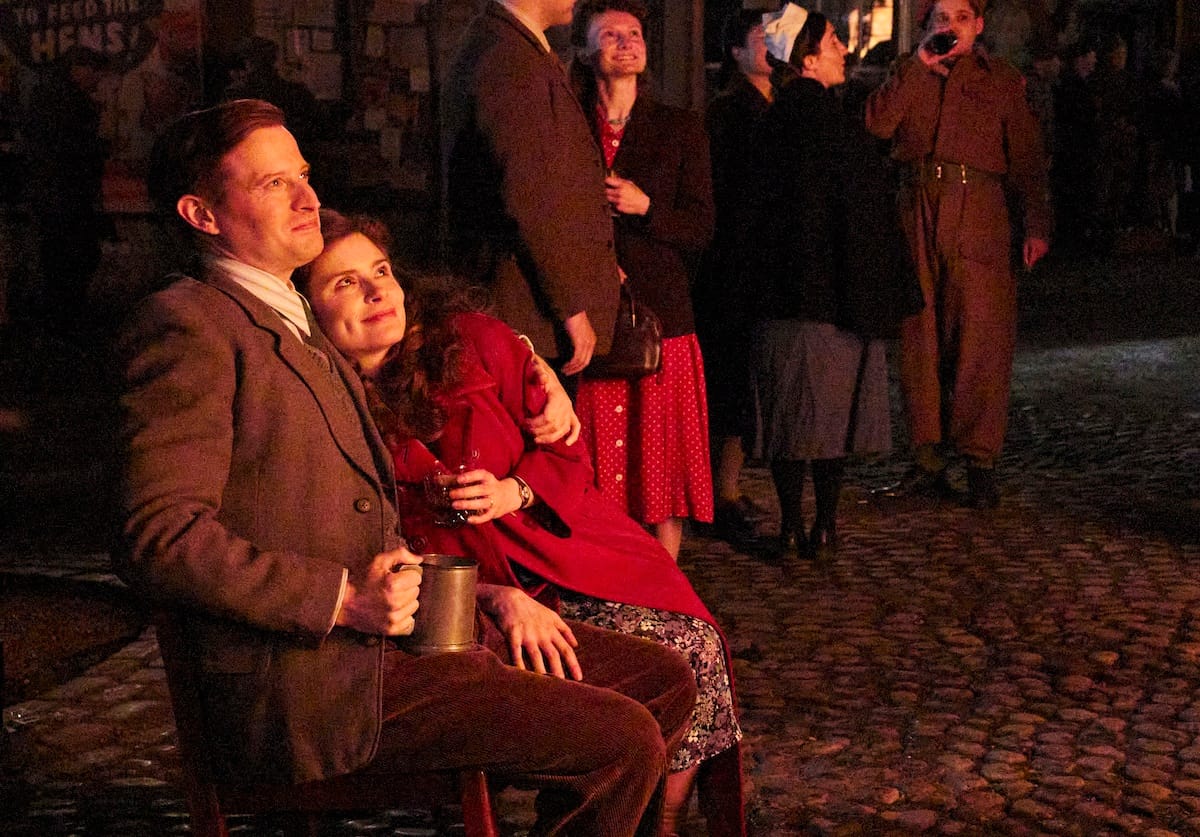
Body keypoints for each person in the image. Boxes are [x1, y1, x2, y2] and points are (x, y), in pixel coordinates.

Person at [112, 98, 698, 836]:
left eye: (304, 175)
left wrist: (530, 365)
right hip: (320, 680)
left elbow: (426, 352)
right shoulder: (191, 325)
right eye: (273, 184)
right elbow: (157, 538)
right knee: (621, 738)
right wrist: (341, 599)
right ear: (201, 214)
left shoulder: (295, 314)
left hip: (402, 639)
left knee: (663, 680)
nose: (307, 199)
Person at [298, 208, 745, 837]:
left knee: (693, 643)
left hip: (553, 543)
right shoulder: (323, 405)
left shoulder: (473, 342)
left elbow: (568, 452)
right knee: (639, 670)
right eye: (345, 283)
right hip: (458, 594)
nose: (376, 292)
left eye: (381, 271)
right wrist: (491, 595)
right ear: (307, 311)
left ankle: (659, 819)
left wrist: (516, 489)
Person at [740, 3, 920, 559]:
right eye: (833, 42)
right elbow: (864, 217)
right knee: (830, 422)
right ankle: (823, 525)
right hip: (834, 301)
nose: (844, 49)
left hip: (778, 300)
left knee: (789, 419)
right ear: (809, 60)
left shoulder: (767, 126)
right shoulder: (837, 127)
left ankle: (792, 524)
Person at [865, 0, 1051, 509]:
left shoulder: (1001, 80)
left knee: (980, 336)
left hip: (980, 210)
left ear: (979, 25)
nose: (951, 27)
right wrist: (917, 67)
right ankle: (926, 456)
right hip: (917, 206)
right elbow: (877, 125)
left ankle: (979, 459)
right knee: (918, 337)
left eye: (961, 18)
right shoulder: (909, 71)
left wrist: (1036, 224)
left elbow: (1027, 158)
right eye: (941, 19)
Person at [568, 0, 717, 561]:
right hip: (592, 311)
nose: (626, 42)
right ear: (587, 51)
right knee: (600, 452)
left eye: (634, 33)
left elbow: (701, 227)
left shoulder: (679, 127)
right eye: (611, 34)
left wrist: (646, 206)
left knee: (662, 451)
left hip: (661, 313)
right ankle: (606, 567)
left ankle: (664, 573)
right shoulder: (569, 125)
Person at [441, 0, 621, 376]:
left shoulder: (513, 47)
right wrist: (570, 306)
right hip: (527, 309)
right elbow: (529, 195)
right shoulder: (507, 58)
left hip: (528, 304)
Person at [695, 9, 774, 543]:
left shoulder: (779, 103)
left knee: (750, 380)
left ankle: (728, 485)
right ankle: (718, 491)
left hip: (762, 261)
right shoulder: (728, 112)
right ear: (737, 53)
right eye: (759, 39)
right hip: (735, 262)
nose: (770, 47)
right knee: (730, 379)